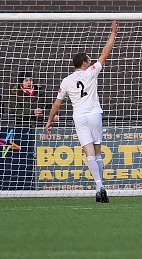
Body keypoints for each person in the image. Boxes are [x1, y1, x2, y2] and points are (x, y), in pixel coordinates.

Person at [45, 20, 118, 203]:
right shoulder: (91, 72)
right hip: (94, 114)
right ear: (85, 63)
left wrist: (49, 121)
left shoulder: (66, 80)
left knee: (89, 154)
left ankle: (99, 186)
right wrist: (113, 34)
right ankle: (101, 187)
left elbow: (57, 104)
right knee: (98, 153)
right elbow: (104, 54)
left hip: (79, 117)